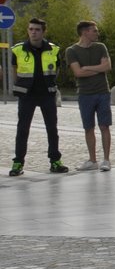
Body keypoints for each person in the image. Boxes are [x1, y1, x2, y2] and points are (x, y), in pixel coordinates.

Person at [8, 18, 68, 176]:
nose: (33, 32)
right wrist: (21, 85)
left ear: (43, 32)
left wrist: (51, 84)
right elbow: (14, 70)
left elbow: (57, 69)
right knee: (22, 129)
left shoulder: (53, 49)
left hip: (47, 94)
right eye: (31, 29)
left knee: (52, 129)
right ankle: (18, 162)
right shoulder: (18, 49)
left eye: (37, 29)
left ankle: (55, 161)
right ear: (28, 30)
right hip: (27, 95)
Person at [63, 20, 113, 171]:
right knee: (88, 127)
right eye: (94, 30)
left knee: (104, 125)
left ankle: (106, 160)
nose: (97, 33)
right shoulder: (71, 51)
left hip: (103, 92)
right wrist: (99, 69)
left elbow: (108, 66)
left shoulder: (100, 47)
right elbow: (78, 72)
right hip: (85, 94)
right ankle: (92, 160)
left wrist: (88, 68)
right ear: (85, 32)